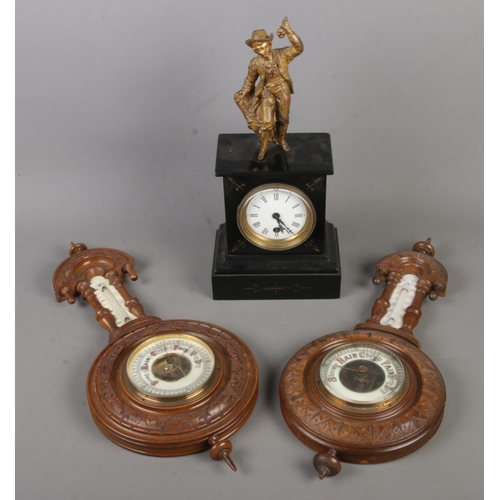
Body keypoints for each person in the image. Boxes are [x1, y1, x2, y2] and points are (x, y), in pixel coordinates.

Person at [234, 17, 304, 160]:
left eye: (263, 46)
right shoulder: (255, 63)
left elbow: (298, 48)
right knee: (266, 123)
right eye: (256, 48)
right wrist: (244, 91)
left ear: (270, 43)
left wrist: (289, 32)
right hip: (267, 92)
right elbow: (250, 80)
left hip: (282, 89)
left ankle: (281, 140)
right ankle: (264, 147)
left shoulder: (282, 55)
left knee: (283, 119)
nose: (260, 50)